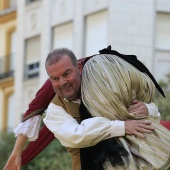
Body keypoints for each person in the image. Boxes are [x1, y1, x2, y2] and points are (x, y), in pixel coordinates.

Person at [3, 47, 161, 170]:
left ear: (79, 67)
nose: (62, 82)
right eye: (55, 78)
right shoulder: (55, 111)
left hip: (141, 160)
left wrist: (147, 109)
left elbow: (152, 113)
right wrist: (17, 152)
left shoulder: (102, 85)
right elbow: (78, 135)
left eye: (67, 74)